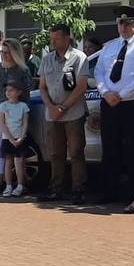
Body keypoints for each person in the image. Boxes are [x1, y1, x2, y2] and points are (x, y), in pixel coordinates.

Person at [94, 6, 134, 206]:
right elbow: (98, 72)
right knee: (111, 149)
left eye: (128, 23)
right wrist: (106, 93)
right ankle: (109, 191)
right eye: (120, 23)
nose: (123, 27)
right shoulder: (109, 46)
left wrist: (120, 95)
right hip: (110, 104)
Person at [37, 24, 89, 204]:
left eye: (56, 38)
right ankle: (56, 189)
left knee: (76, 153)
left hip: (73, 114)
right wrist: (51, 108)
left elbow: (81, 87)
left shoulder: (79, 57)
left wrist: (63, 108)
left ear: (67, 38)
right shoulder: (46, 59)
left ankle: (78, 190)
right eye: (51, 38)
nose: (52, 41)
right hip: (52, 115)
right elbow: (42, 87)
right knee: (55, 153)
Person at [0, 39, 33, 195]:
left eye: (7, 52)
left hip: (16, 115)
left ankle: (20, 183)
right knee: (0, 148)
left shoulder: (22, 70)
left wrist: (24, 114)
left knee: (18, 150)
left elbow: (27, 93)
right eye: (2, 52)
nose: (4, 55)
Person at [0, 81, 34, 198]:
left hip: (20, 138)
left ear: (18, 92)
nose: (7, 92)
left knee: (19, 162)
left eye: (11, 90)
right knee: (8, 162)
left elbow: (25, 123)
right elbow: (2, 124)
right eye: (6, 90)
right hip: (7, 138)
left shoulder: (23, 106)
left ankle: (20, 185)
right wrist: (10, 138)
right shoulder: (3, 106)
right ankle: (8, 185)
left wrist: (21, 137)